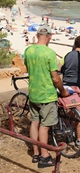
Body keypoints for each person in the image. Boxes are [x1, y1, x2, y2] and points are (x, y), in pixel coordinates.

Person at [24, 25, 69, 168]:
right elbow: (55, 78)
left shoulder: (28, 50)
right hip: (46, 95)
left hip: (33, 93)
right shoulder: (49, 53)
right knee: (45, 127)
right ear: (49, 36)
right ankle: (44, 156)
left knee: (34, 123)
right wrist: (63, 91)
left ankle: (35, 153)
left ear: (37, 36)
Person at [59, 35, 80, 146]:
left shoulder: (67, 55)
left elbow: (58, 68)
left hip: (66, 87)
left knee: (69, 111)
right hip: (78, 87)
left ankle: (69, 134)